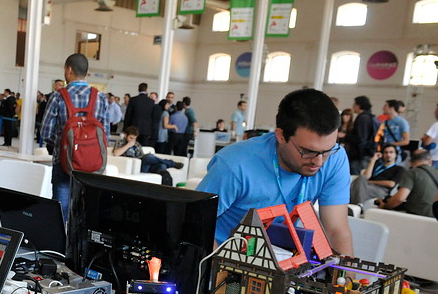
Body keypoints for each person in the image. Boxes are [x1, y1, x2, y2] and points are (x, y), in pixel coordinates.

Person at [198, 88, 353, 256]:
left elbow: (336, 230)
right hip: (224, 254)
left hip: (282, 257)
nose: (319, 161)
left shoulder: (335, 159)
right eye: (308, 151)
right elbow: (196, 222)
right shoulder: (234, 166)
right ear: (280, 135)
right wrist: (220, 270)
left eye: (328, 150)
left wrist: (348, 280)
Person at [40, 53, 109, 218]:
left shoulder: (58, 96)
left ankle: (59, 243)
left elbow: (45, 133)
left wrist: (65, 143)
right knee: (87, 211)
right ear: (86, 72)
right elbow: (104, 132)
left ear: (69, 70)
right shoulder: (100, 97)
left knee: (60, 211)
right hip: (93, 166)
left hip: (63, 163)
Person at [375, 149, 438, 217]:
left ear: (411, 162)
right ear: (430, 161)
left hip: (418, 216)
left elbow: (400, 198)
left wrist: (384, 207)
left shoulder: (412, 173)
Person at [113, 126, 183, 185]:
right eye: (131, 138)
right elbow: (116, 153)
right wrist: (128, 145)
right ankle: (171, 163)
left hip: (144, 164)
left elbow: (141, 155)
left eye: (135, 138)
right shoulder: (121, 142)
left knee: (162, 166)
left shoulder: (137, 144)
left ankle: (168, 190)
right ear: (125, 135)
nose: (133, 140)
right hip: (136, 167)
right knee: (149, 157)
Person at [345, 95, 377, 175]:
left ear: (358, 105)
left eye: (354, 104)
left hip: (360, 155)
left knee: (356, 177)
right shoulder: (370, 117)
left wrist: (346, 136)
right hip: (364, 154)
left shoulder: (363, 118)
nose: (353, 106)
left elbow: (361, 138)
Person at [420, 103, 438, 168]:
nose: (434, 112)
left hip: (435, 158)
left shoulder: (436, 125)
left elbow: (427, 142)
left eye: (436, 110)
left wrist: (424, 138)